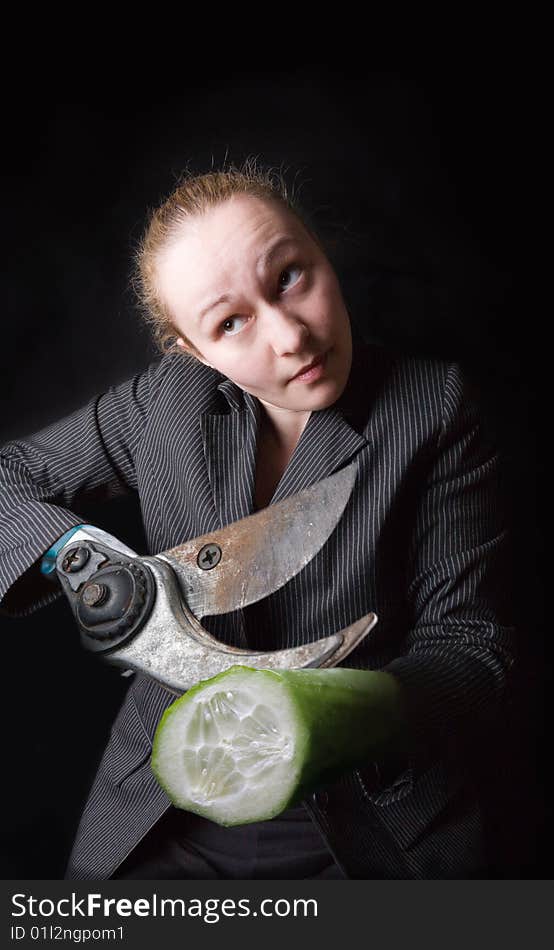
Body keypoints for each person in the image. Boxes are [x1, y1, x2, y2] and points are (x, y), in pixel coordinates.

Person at [0, 159, 517, 879]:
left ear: (319, 250)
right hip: (162, 816)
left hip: (361, 824)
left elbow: (473, 650)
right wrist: (76, 555)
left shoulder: (433, 409)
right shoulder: (166, 403)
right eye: (231, 322)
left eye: (290, 278)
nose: (290, 337)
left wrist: (338, 716)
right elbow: (8, 478)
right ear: (193, 351)